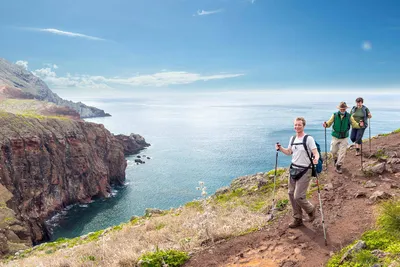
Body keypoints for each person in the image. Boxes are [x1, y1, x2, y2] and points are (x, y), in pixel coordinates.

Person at [275, 117, 318, 228]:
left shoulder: (309, 139)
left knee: (298, 196)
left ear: (303, 125)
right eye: (295, 125)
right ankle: (297, 218)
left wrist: (316, 159)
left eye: (299, 125)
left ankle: (311, 210)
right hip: (293, 168)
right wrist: (281, 149)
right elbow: (289, 152)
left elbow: (315, 152)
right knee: (290, 193)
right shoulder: (293, 138)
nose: (297, 127)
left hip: (305, 170)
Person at [323, 101, 360, 174]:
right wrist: (326, 124)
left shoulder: (349, 116)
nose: (342, 110)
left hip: (344, 137)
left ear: (346, 109)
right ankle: (335, 159)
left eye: (344, 109)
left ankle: (338, 166)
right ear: (339, 109)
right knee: (333, 151)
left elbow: (354, 124)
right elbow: (329, 123)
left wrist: (360, 125)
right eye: (341, 109)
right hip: (335, 136)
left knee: (342, 152)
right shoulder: (335, 115)